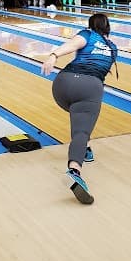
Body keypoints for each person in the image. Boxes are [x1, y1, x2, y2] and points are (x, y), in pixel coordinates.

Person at [41, 12, 118, 205]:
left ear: (90, 26)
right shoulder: (113, 48)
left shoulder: (87, 34)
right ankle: (74, 170)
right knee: (82, 129)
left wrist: (53, 56)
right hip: (88, 87)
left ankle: (85, 148)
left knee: (80, 117)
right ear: (107, 28)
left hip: (61, 85)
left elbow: (73, 44)